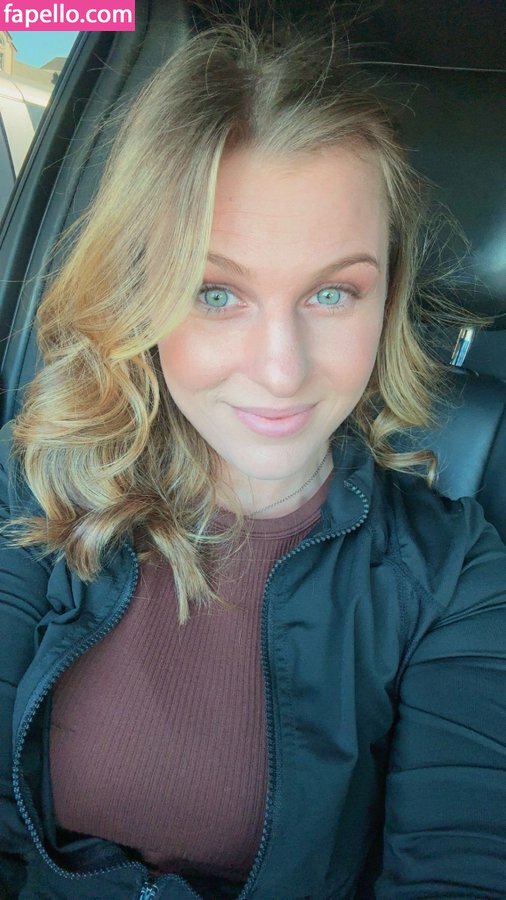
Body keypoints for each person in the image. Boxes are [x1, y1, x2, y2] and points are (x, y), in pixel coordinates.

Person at [1, 15, 505, 900]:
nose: (281, 371)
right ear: (142, 293)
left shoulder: (457, 576)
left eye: (333, 292)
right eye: (215, 292)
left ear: (386, 299)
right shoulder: (38, 483)